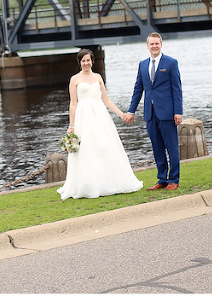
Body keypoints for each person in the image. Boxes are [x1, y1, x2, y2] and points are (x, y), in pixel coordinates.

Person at [58, 49, 143, 200]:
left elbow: (106, 99)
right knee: (87, 150)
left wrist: (121, 114)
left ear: (92, 61)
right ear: (80, 63)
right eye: (83, 61)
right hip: (83, 118)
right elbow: (73, 104)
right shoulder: (74, 80)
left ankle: (111, 182)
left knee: (105, 147)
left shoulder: (98, 77)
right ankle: (89, 185)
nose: (86, 63)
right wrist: (71, 126)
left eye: (88, 60)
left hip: (100, 116)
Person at [124, 32, 183, 191]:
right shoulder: (143, 64)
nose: (154, 46)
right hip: (150, 114)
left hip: (167, 113)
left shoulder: (171, 63)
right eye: (152, 44)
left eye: (157, 43)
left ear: (161, 44)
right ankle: (162, 179)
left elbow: (176, 89)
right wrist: (131, 111)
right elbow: (138, 89)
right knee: (157, 148)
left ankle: (174, 180)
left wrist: (178, 111)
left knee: (171, 148)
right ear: (147, 46)